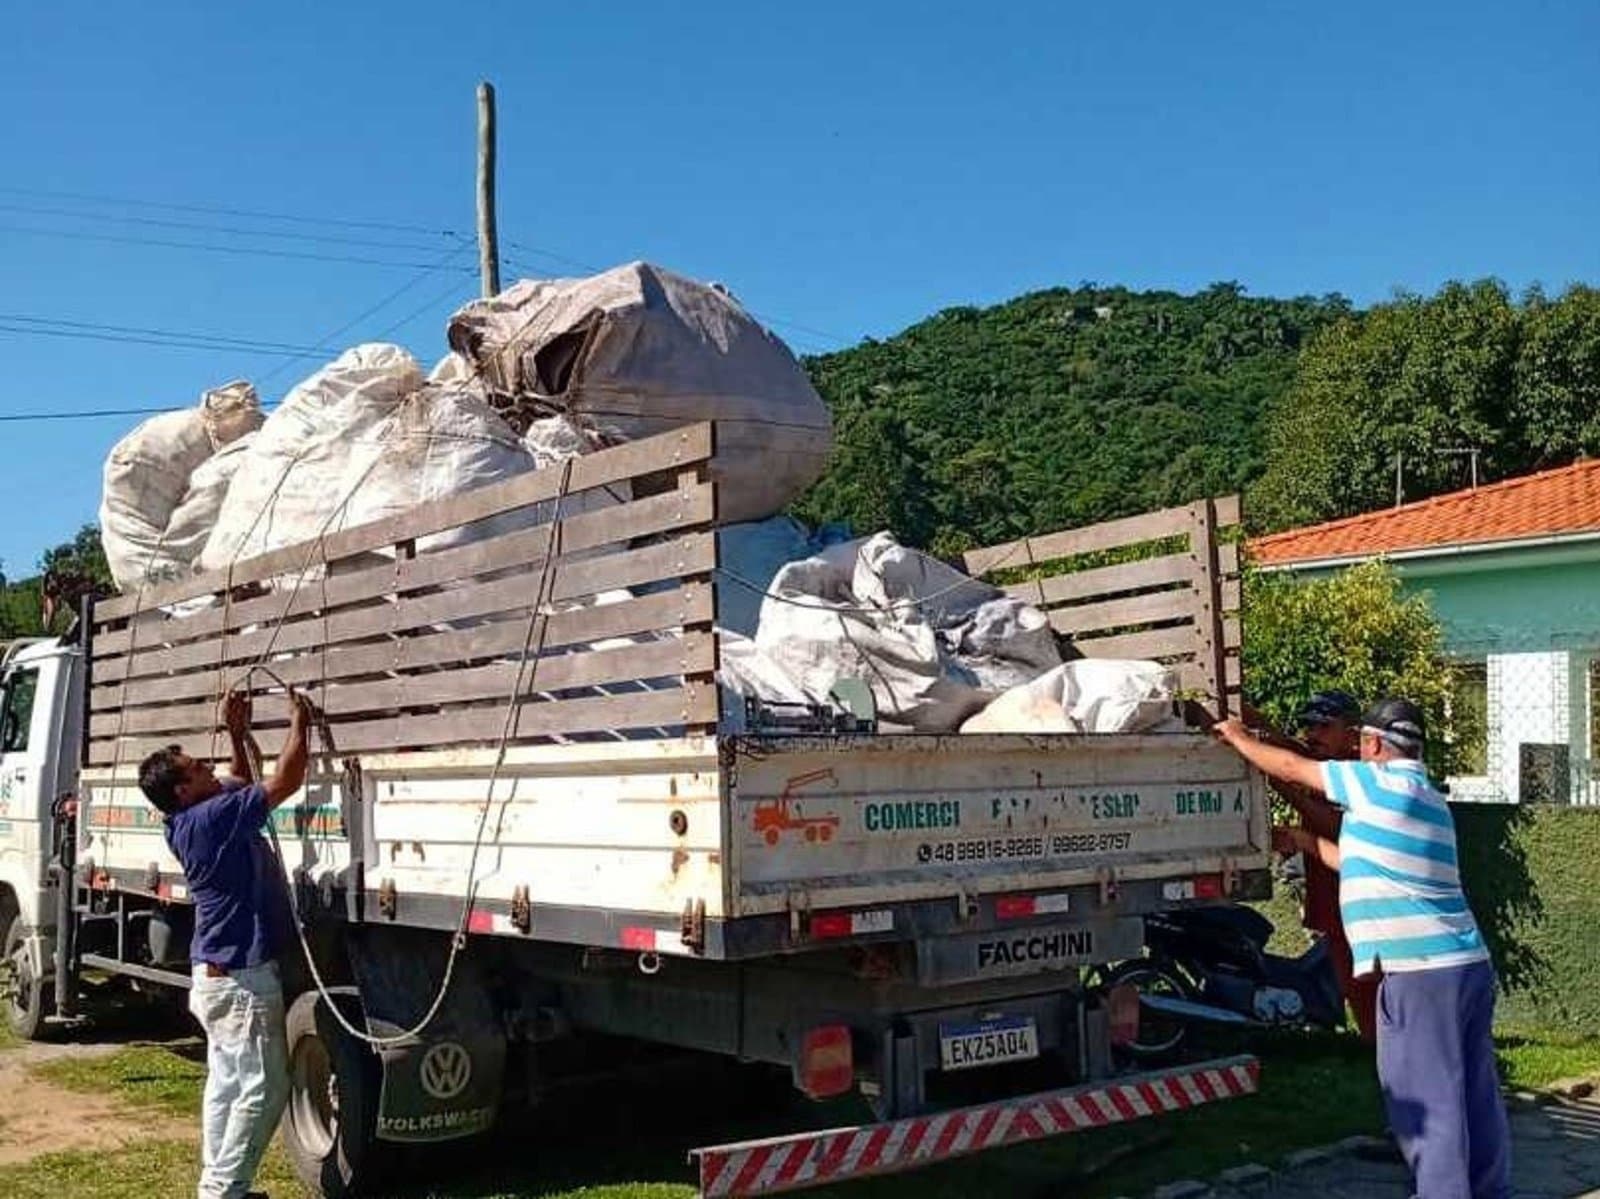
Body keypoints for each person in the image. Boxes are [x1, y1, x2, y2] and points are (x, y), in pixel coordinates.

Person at [1214, 698, 1509, 1199]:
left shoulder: (1376, 782)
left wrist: (1240, 738)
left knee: (1423, 1097)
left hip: (1419, 973)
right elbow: (1357, 860)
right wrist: (1305, 843)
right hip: (1464, 965)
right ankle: (1488, 1190)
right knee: (1474, 1091)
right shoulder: (1426, 797)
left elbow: (1294, 768)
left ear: (1372, 743)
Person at [137, 690, 314, 1199]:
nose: (210, 767)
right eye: (197, 768)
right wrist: (298, 723)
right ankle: (225, 1192)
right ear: (183, 792)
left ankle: (215, 1187)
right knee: (264, 1087)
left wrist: (237, 733)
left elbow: (235, 779)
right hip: (239, 978)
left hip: (217, 976)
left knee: (228, 1085)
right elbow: (285, 781)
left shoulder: (193, 817)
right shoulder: (209, 821)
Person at [1244, 691, 1379, 1043]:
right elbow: (1276, 741)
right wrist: (1231, 709)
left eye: (1323, 726)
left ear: (1352, 734)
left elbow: (1337, 828)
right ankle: (1376, 1053)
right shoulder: (1319, 761)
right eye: (1308, 725)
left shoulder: (1361, 774)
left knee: (1371, 988)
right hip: (1335, 906)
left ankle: (1386, 1054)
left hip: (1363, 908)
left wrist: (1283, 785)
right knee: (1354, 985)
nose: (1312, 734)